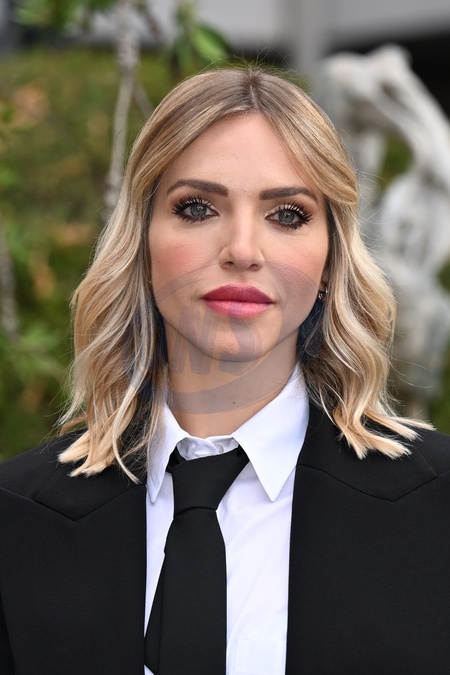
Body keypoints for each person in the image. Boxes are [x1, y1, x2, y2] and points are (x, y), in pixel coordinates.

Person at [1, 66, 450, 675]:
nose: (242, 250)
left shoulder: (438, 508)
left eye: (287, 214)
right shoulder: (14, 518)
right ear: (142, 241)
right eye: (197, 208)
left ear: (330, 258)